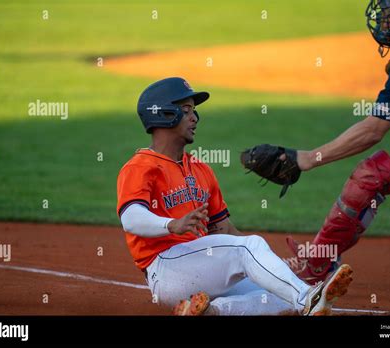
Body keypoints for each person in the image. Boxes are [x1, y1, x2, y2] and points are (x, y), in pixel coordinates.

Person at [242, 0, 390, 285]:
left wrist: (307, 158)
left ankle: (316, 265)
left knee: (372, 175)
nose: (386, 24)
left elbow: (373, 130)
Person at [116, 77, 353, 315]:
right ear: (164, 115)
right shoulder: (141, 166)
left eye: (194, 111)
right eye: (186, 110)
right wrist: (172, 224)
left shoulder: (200, 169)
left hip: (202, 268)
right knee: (251, 247)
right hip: (167, 269)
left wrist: (275, 265)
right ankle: (308, 299)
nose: (194, 118)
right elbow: (131, 218)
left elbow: (225, 232)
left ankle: (210, 311)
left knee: (278, 292)